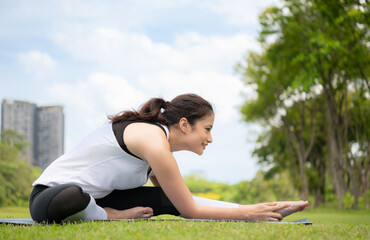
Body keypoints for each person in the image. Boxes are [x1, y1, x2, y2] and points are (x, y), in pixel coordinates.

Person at [29, 93, 308, 223]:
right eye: (207, 129)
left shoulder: (157, 143)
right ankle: (108, 216)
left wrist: (257, 209)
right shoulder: (153, 140)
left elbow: (182, 202)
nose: (210, 139)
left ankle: (268, 211)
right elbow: (191, 212)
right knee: (73, 194)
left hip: (100, 197)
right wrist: (248, 215)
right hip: (52, 197)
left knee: (165, 200)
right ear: (185, 124)